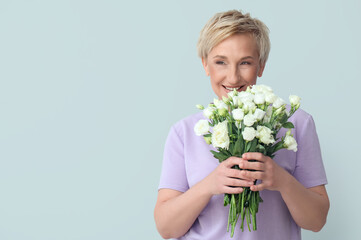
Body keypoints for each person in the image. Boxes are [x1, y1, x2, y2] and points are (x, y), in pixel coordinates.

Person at [154, 10, 329, 240]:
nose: (233, 77)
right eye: (220, 62)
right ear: (206, 65)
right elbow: (166, 228)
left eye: (245, 62)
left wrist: (283, 181)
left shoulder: (297, 124)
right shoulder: (184, 132)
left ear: (261, 65)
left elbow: (316, 221)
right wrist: (209, 185)